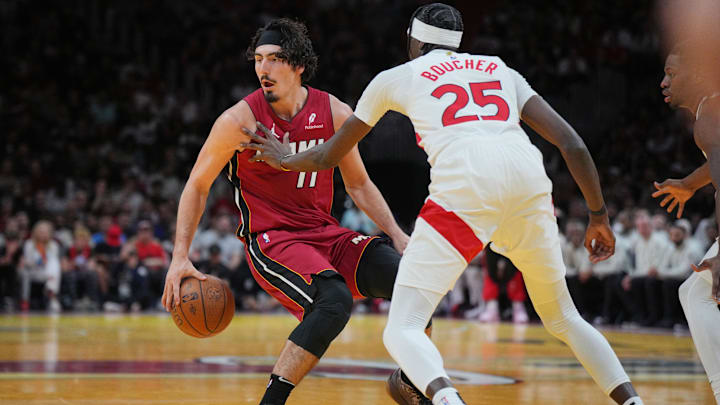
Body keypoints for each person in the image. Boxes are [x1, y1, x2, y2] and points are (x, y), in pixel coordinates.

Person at [242, 4, 643, 405]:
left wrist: (284, 158)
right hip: (529, 183)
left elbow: (330, 155)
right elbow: (571, 142)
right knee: (564, 318)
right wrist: (598, 216)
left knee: (403, 328)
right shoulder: (500, 69)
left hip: (466, 187)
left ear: (414, 40)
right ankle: (632, 401)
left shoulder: (395, 77)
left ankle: (447, 400)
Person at [161, 18, 432, 405]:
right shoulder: (239, 121)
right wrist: (179, 256)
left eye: (273, 59)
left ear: (299, 65)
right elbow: (197, 185)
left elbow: (358, 184)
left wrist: (398, 234)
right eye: (258, 59)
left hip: (326, 232)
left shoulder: (335, 111)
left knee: (414, 284)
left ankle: (409, 384)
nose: (262, 69)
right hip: (273, 240)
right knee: (334, 301)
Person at [652, 42, 720, 404]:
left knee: (697, 293)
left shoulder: (710, 113)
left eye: (672, 74)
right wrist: (690, 184)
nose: (664, 82)